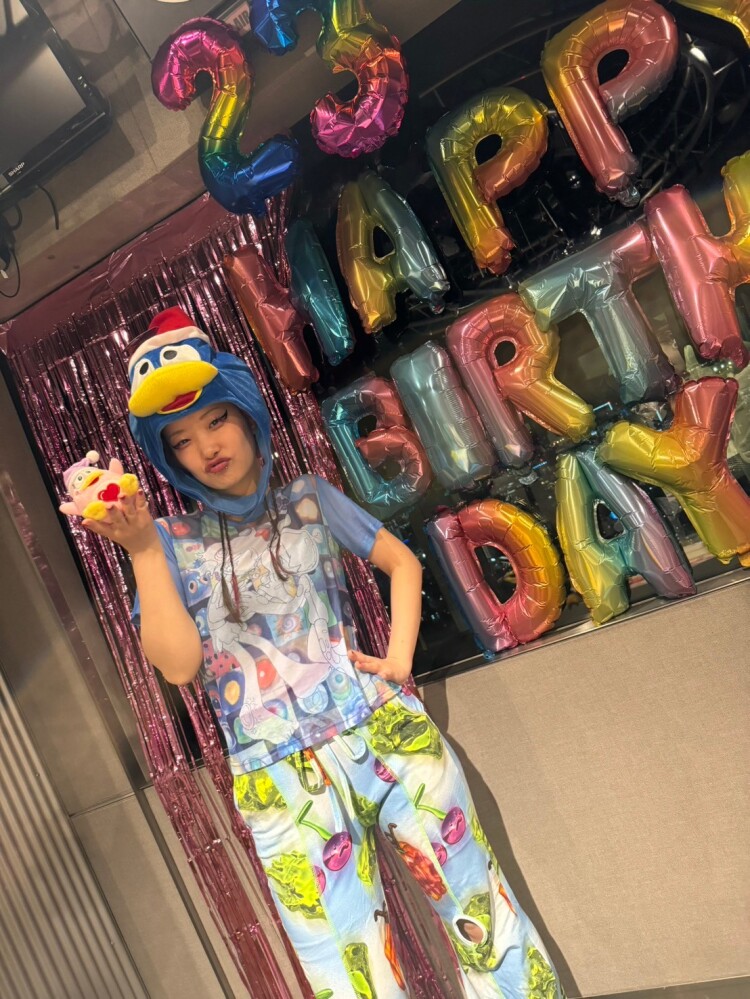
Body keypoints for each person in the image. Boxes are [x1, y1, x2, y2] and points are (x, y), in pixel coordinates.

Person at [83, 307, 563, 999]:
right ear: (169, 459)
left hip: (380, 729)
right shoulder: (168, 543)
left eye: (216, 420)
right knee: (350, 977)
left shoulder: (308, 498)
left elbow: (402, 562)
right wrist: (141, 552)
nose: (207, 447)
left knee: (484, 918)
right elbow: (180, 666)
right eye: (182, 441)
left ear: (246, 414)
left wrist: (397, 661)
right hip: (276, 776)